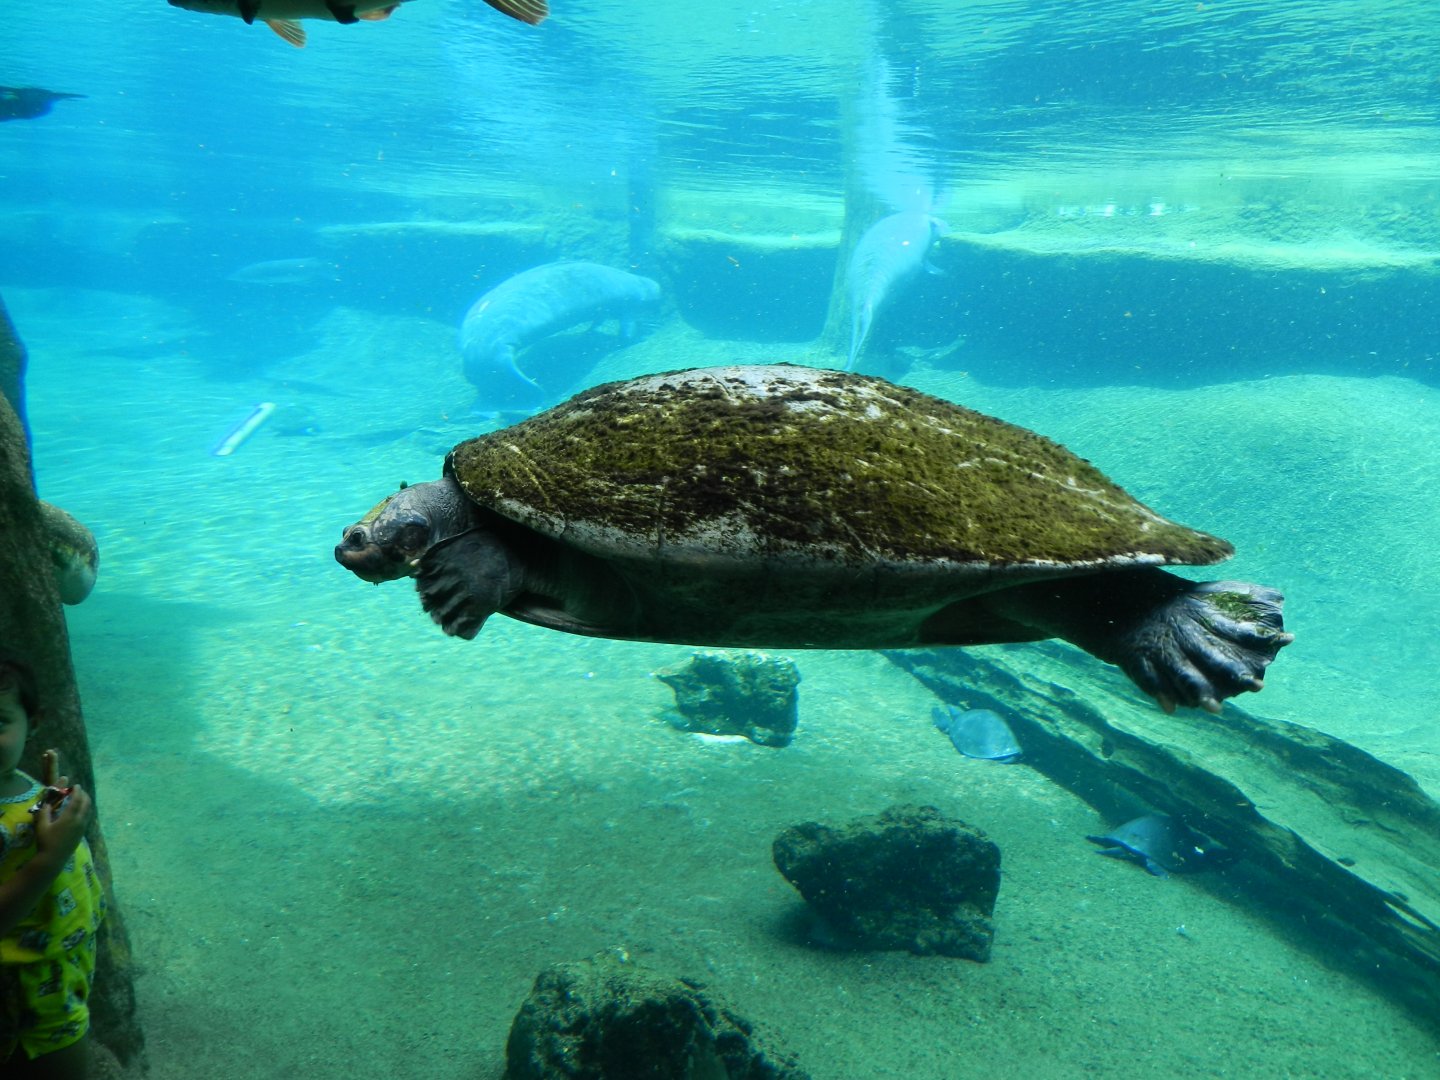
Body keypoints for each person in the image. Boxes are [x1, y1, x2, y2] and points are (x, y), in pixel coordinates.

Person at [0, 656, 104, 1079]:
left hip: (60, 974)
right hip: (18, 993)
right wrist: (50, 858)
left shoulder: (21, 784)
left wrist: (49, 798)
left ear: (34, 721)